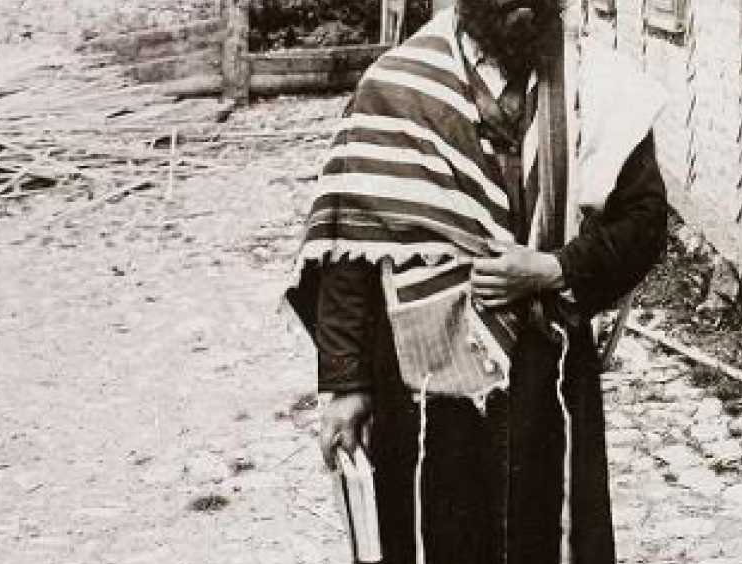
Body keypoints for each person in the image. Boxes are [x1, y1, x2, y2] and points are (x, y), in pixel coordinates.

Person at [283, 1, 668, 562]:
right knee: (437, 536)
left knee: (547, 535)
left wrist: (552, 267)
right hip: (425, 382)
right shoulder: (393, 89)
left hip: (546, 371)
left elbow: (644, 221)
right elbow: (348, 247)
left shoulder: (597, 85)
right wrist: (345, 386)